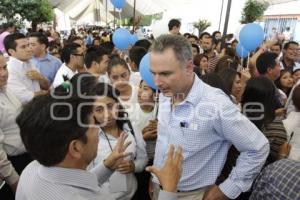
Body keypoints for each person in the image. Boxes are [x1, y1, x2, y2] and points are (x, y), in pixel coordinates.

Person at [15, 80, 183, 200]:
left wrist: (107, 166)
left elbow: (84, 182)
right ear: (75, 148)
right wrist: (168, 189)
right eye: (93, 125)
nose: (100, 126)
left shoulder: (31, 170)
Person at [149, 34, 269, 200]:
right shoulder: (165, 93)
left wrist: (226, 190)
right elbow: (165, 140)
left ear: (189, 67)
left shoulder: (216, 104)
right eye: (153, 73)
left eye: (165, 73)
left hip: (192, 195)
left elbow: (258, 147)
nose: (157, 82)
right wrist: (155, 180)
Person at [87, 81, 148, 199]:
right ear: (92, 112)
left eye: (110, 106)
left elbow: (143, 158)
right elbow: (85, 177)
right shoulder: (88, 138)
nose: (107, 115)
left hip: (133, 195)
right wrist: (107, 165)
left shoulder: (130, 128)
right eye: (99, 110)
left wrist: (134, 166)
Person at [0, 52, 32, 200]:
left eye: (4, 67)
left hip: (26, 156)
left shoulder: (6, 89)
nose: (3, 73)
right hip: (11, 166)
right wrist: (14, 181)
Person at [4, 33, 49, 104]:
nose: (29, 49)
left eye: (28, 45)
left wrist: (41, 78)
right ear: (11, 51)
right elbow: (24, 97)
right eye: (23, 47)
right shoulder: (10, 69)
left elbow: (46, 86)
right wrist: (48, 93)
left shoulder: (30, 62)